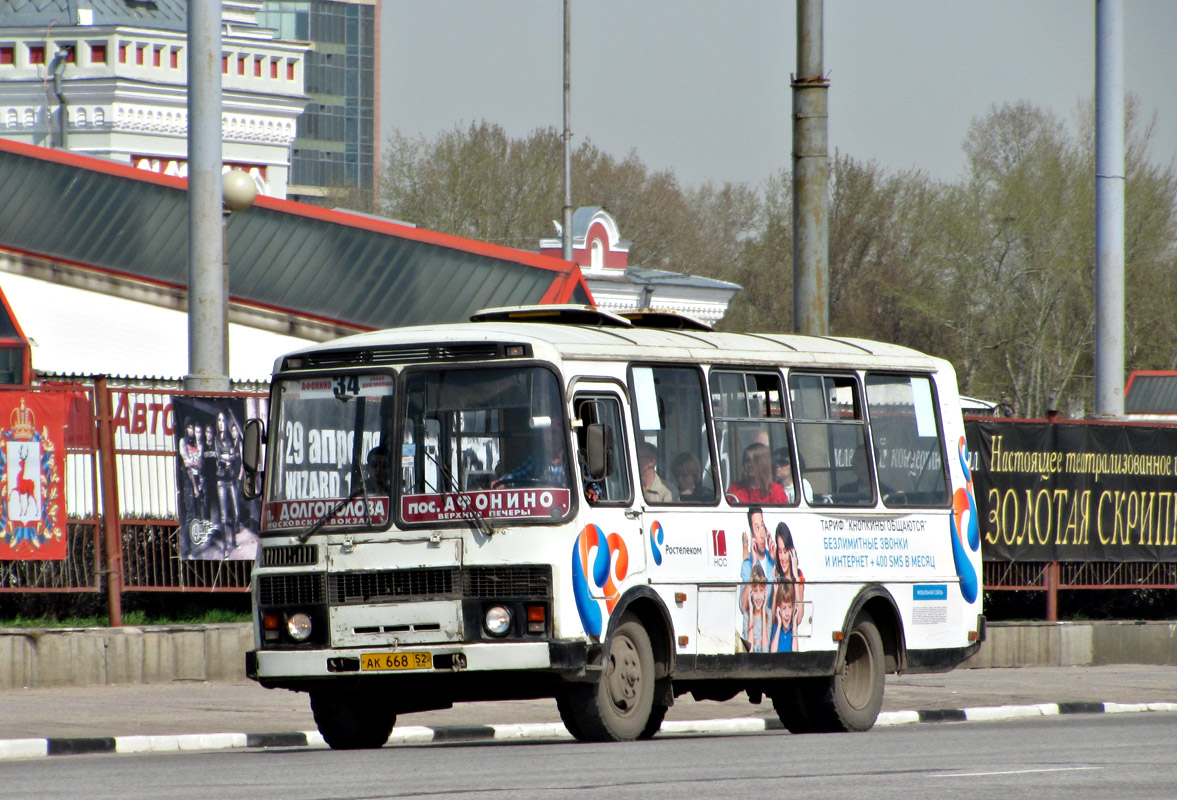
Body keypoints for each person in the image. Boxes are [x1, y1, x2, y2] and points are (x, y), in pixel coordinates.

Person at [215, 412, 240, 552]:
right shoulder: (216, 440)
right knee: (224, 517)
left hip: (231, 480)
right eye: (219, 421)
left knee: (236, 513)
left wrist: (227, 457)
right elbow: (219, 459)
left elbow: (235, 456)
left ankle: (234, 540)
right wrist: (226, 458)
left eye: (223, 420)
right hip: (221, 481)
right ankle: (225, 547)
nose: (221, 423)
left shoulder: (230, 440)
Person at [742, 564, 771, 653]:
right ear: (751, 592)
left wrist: (763, 611)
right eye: (755, 591)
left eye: (761, 590)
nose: (758, 597)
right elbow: (749, 651)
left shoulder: (768, 613)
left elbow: (765, 651)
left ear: (765, 591)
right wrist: (751, 611)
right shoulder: (747, 615)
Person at [178, 420, 202, 522]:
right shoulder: (183, 442)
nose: (191, 431)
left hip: (198, 478)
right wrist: (195, 486)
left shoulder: (196, 443)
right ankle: (187, 538)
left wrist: (194, 464)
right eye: (189, 428)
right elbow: (187, 465)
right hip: (189, 481)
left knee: (199, 513)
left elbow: (199, 464)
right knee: (190, 514)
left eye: (192, 428)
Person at [769, 582, 797, 652]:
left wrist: (794, 625)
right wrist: (779, 625)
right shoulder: (776, 628)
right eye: (784, 608)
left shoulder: (793, 630)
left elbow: (796, 653)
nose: (787, 613)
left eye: (790, 607)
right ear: (779, 610)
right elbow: (773, 652)